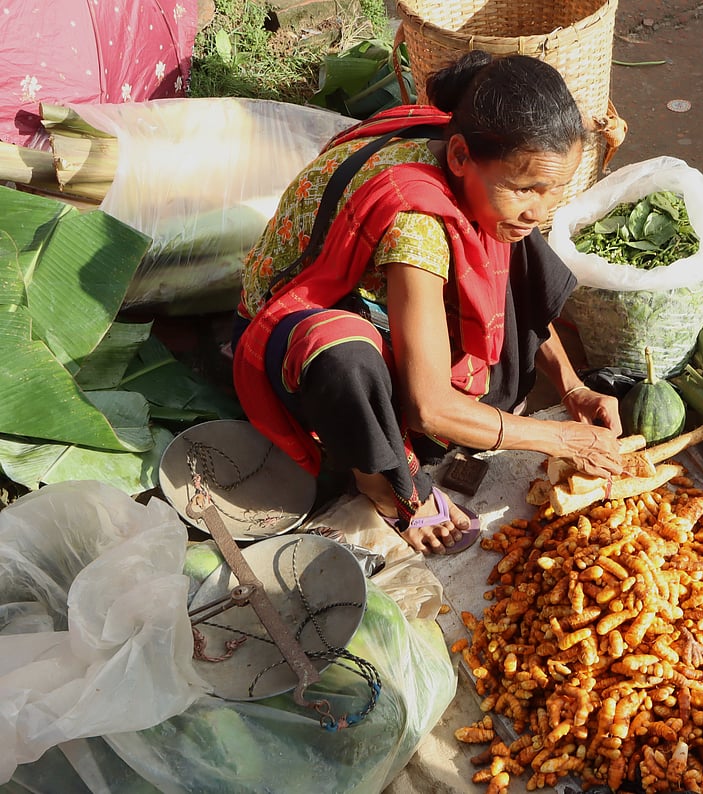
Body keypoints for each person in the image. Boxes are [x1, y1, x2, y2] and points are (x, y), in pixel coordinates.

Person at [230, 51, 624, 554]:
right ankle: (384, 484)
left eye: (554, 191)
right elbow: (428, 407)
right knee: (343, 358)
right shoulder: (416, 225)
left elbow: (511, 244)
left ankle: (456, 414)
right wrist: (560, 440)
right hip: (287, 327)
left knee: (513, 238)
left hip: (378, 283)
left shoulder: (472, 150)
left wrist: (570, 389)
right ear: (458, 156)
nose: (541, 209)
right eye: (528, 188)